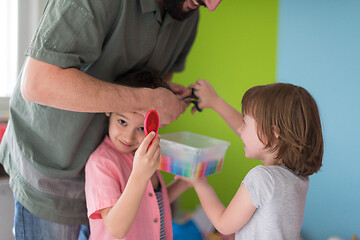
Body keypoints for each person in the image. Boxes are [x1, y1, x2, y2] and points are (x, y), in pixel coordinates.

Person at [0, 0, 223, 239]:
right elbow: (38, 83)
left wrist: (163, 96)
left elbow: (150, 201)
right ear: (110, 114)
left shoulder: (187, 12)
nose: (212, 6)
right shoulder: (108, 164)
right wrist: (147, 101)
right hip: (52, 169)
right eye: (123, 122)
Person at [181, 79, 324, 239]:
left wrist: (200, 184)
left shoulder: (262, 178)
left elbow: (223, 225)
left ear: (273, 132)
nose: (240, 129)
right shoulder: (297, 177)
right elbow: (256, 136)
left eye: (244, 122)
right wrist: (215, 102)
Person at [85, 70, 192, 240]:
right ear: (108, 109)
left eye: (141, 128)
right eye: (122, 122)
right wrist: (139, 176)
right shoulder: (102, 163)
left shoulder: (143, 154)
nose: (128, 137)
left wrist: (184, 183)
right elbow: (116, 228)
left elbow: (150, 204)